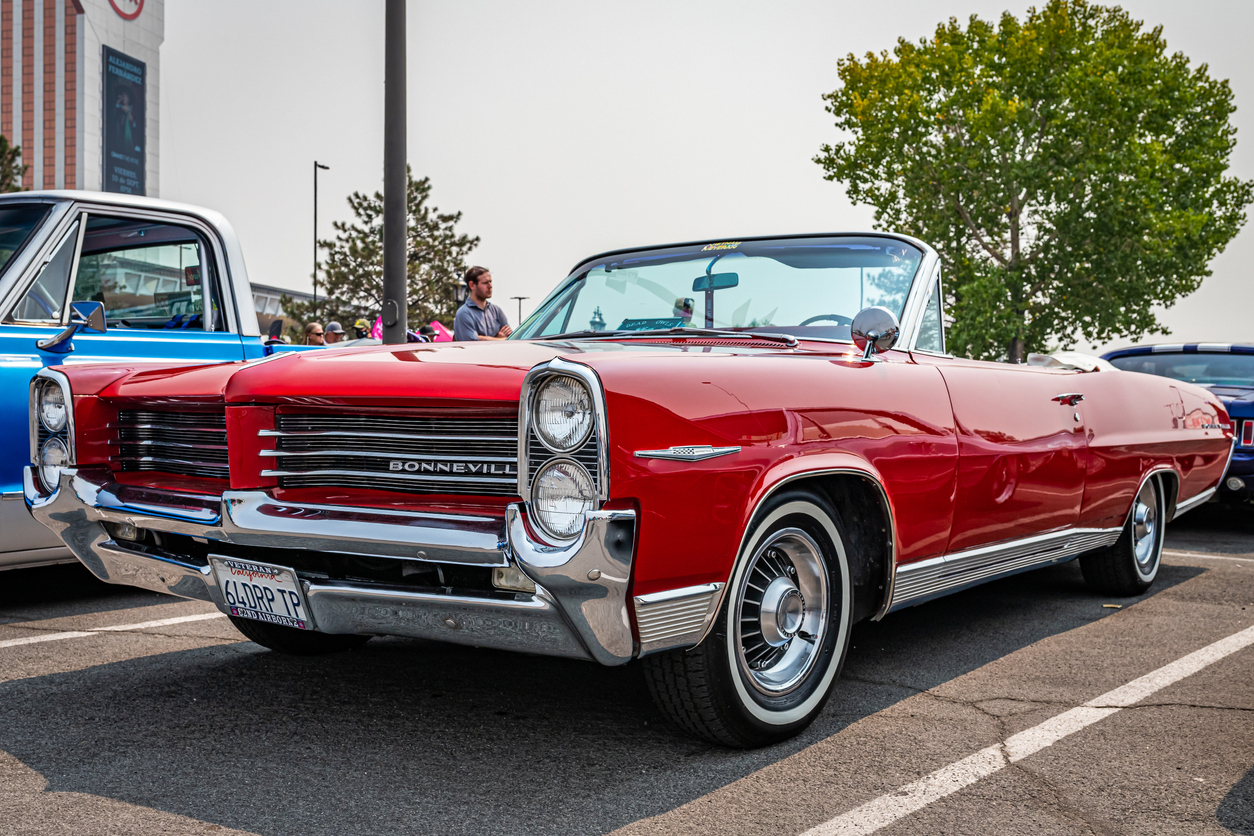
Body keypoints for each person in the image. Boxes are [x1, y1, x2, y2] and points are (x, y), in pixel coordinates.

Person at [453, 266, 511, 341]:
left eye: (490, 282)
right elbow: (472, 342)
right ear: (472, 285)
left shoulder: (496, 311)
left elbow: (511, 338)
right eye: (485, 283)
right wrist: (498, 339)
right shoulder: (464, 313)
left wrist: (483, 338)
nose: (490, 286)